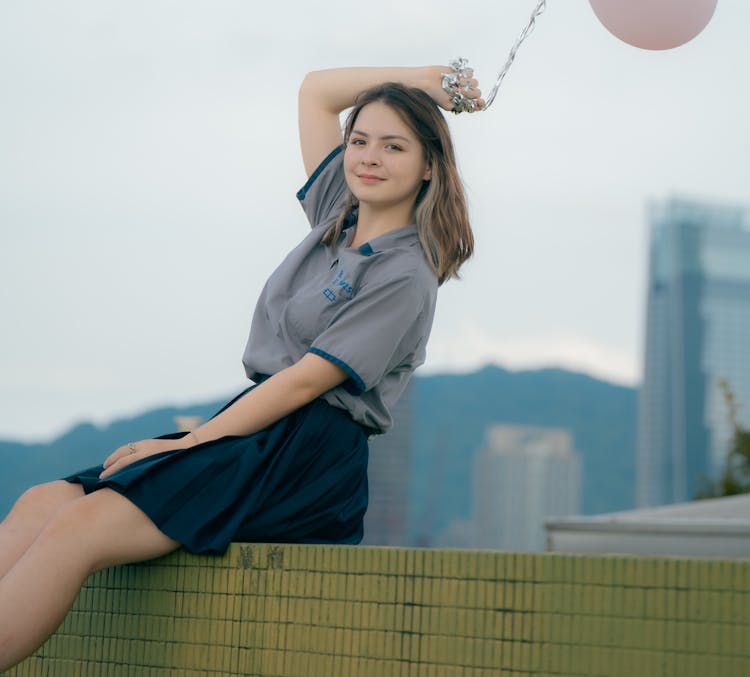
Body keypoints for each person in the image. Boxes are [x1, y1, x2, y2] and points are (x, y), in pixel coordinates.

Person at [0, 62, 481, 670]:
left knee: (79, 530)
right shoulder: (339, 212)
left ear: (430, 164)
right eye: (359, 141)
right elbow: (316, 90)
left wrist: (189, 443)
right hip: (257, 425)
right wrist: (425, 81)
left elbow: (308, 380)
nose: (368, 158)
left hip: (308, 451)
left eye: (394, 146)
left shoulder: (405, 272)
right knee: (43, 503)